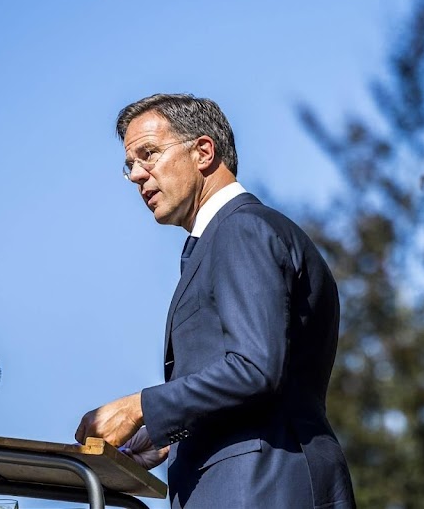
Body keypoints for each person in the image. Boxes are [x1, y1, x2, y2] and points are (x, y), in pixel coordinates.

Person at [75, 93, 356, 509]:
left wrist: (142, 407)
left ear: (203, 151)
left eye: (148, 154)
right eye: (130, 164)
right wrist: (165, 430)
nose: (136, 175)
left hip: (264, 488)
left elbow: (256, 367)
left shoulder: (241, 230)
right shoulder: (230, 236)